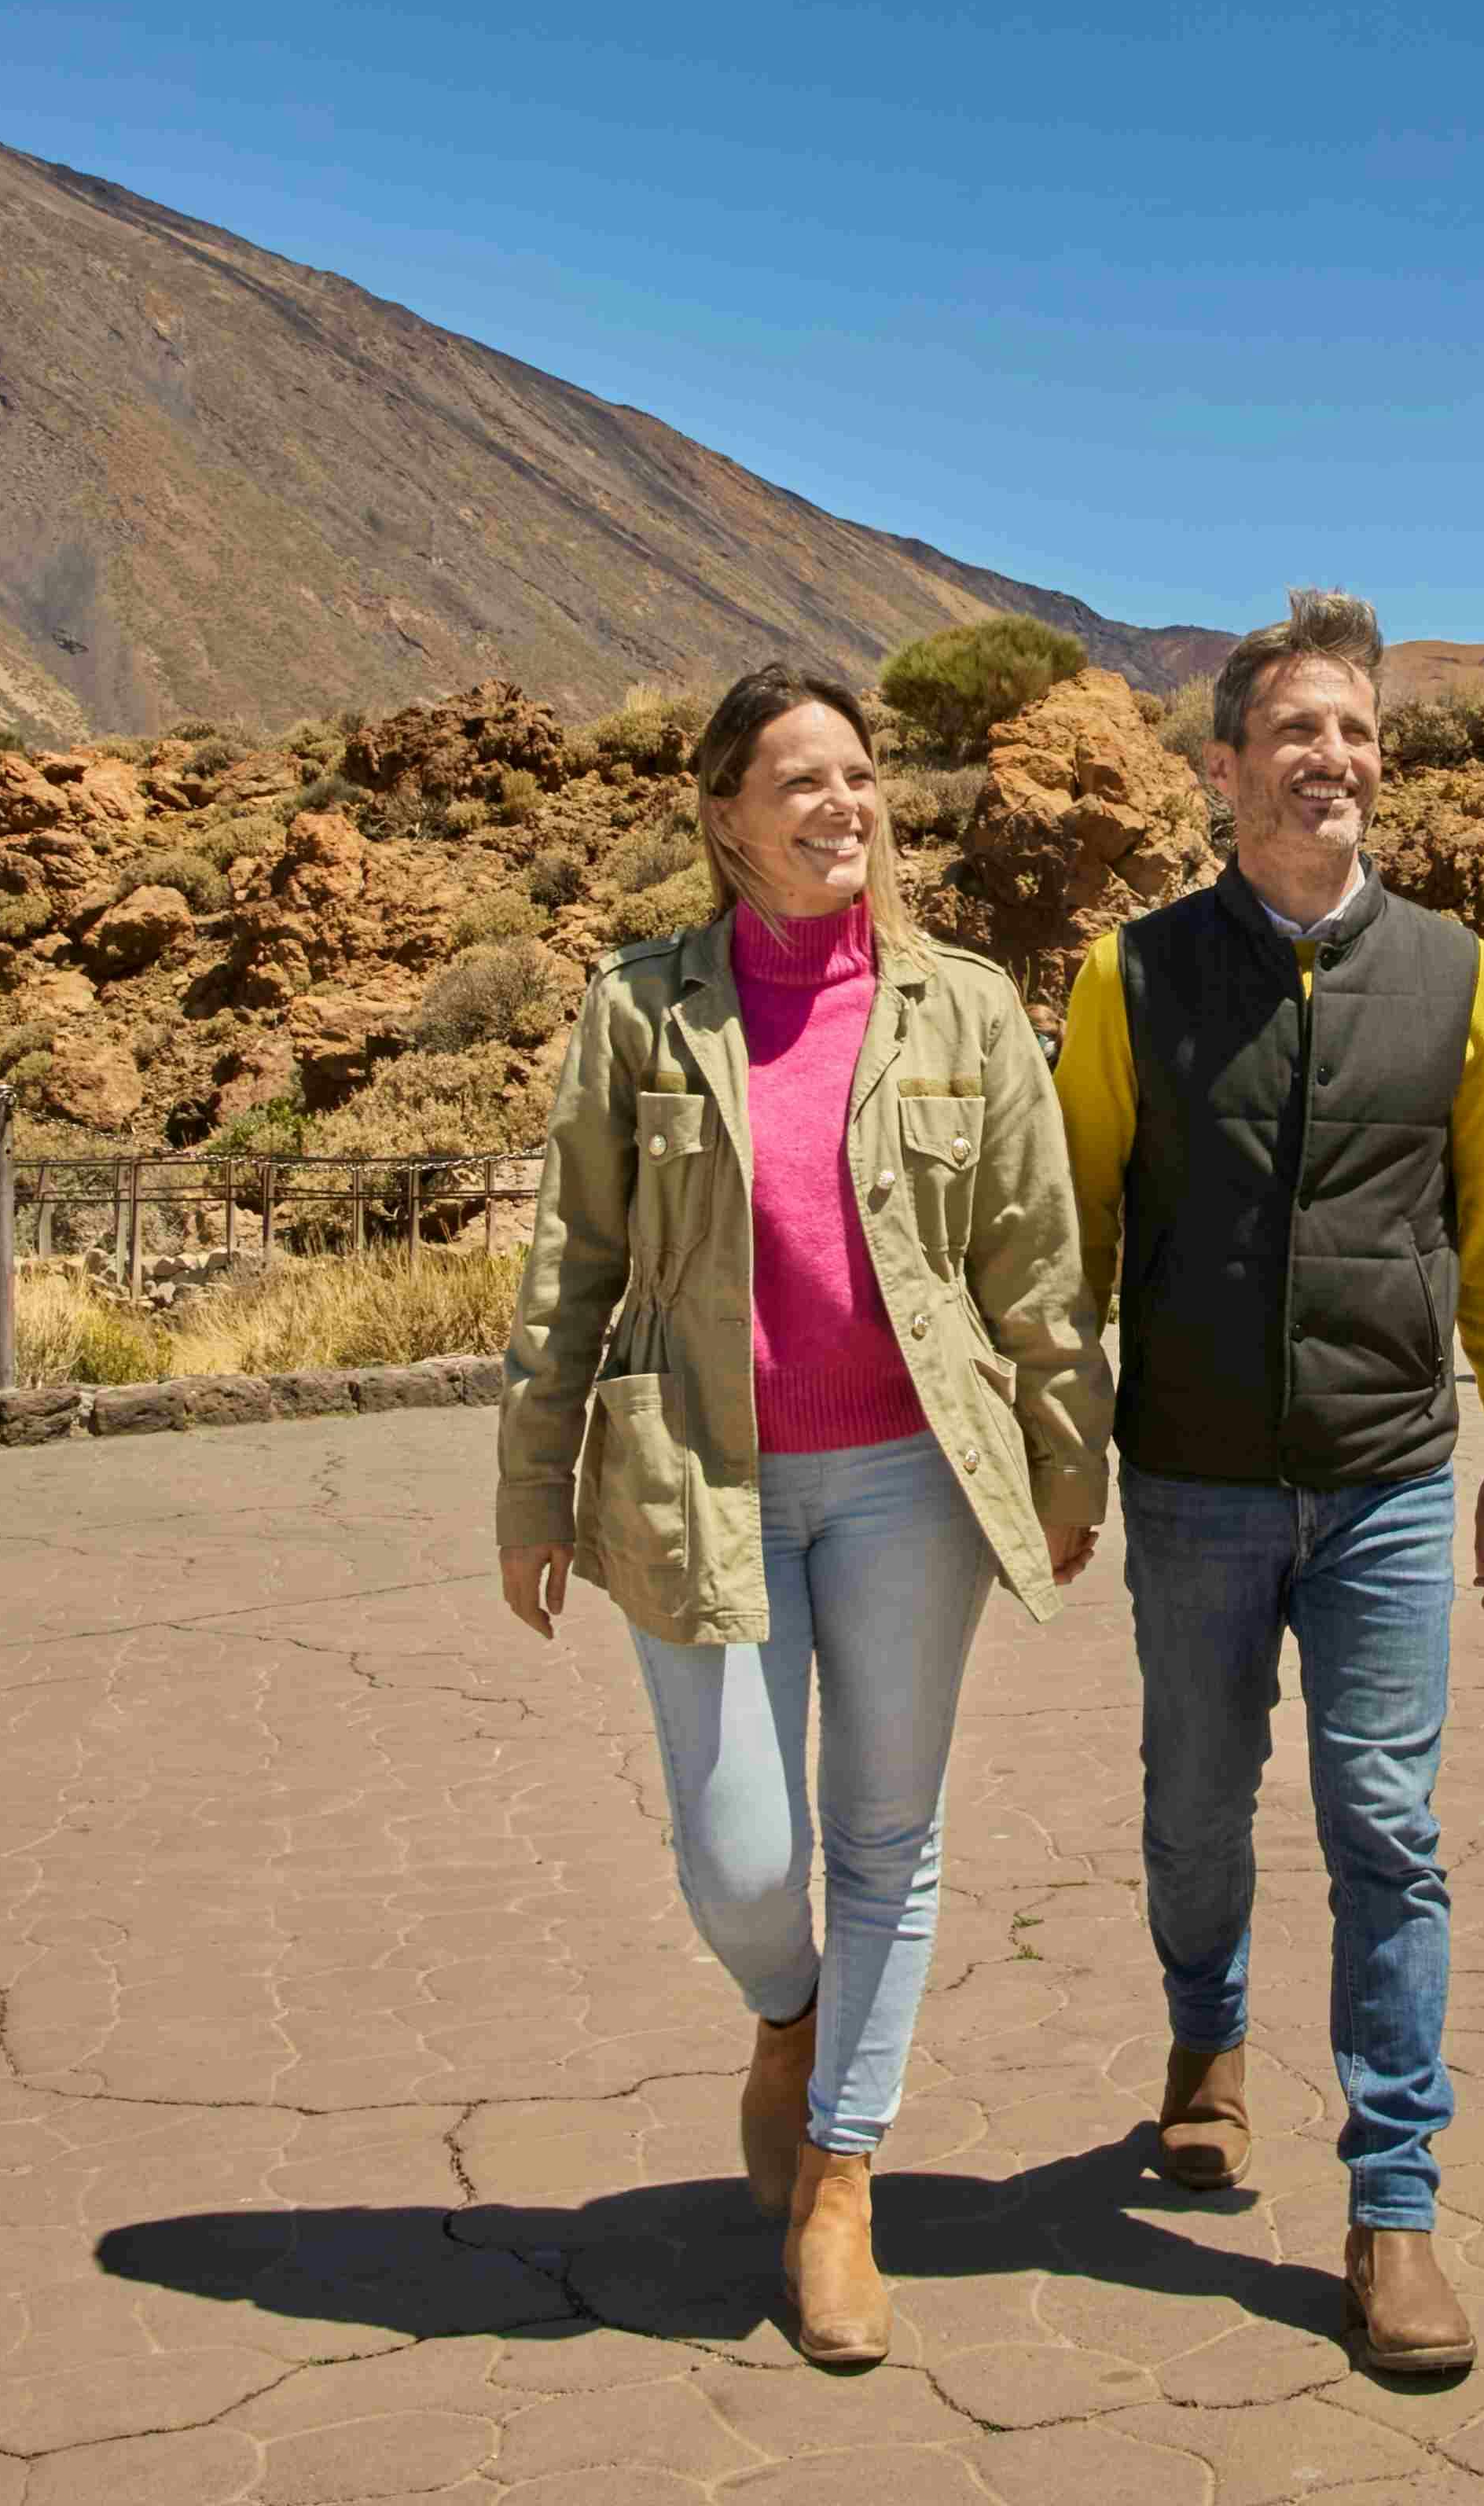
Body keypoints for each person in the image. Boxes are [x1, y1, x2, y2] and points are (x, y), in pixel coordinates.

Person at [494, 664, 1107, 2371]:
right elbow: (575, 1268)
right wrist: (531, 1484)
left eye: (860, 775)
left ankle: (841, 2179)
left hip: (913, 1477)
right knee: (741, 1854)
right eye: (801, 781)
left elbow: (1034, 1262)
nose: (845, 805)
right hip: (705, 1475)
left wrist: (1069, 1459)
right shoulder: (641, 1010)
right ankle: (789, 2011)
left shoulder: (964, 1007)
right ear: (721, 816)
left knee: (888, 1839)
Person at [1049, 589, 1484, 2378]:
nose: (1330, 757)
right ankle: (1204, 2039)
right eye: (1295, 732)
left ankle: (1394, 2201)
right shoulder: (1129, 977)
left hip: (1386, 1478)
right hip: (1188, 1475)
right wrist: (1061, 1443)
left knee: (1383, 1825)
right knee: (1195, 1804)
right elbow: (1075, 1232)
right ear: (1225, 768)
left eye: (1354, 730)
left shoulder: (1457, 978)